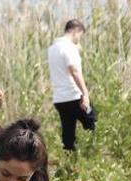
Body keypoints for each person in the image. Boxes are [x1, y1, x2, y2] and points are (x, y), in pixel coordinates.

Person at [48, 19, 90, 151]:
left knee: (68, 137)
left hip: (60, 99)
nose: (79, 38)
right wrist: (85, 93)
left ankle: (70, 166)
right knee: (94, 125)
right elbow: (74, 71)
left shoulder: (52, 48)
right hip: (74, 96)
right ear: (75, 31)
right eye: (79, 35)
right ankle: (92, 159)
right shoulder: (69, 47)